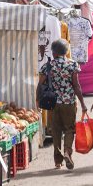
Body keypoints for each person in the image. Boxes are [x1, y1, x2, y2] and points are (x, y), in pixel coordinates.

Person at [36, 39, 88, 170]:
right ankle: (67, 152)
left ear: (53, 52)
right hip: (69, 103)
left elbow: (40, 85)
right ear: (66, 51)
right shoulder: (72, 65)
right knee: (69, 129)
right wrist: (83, 104)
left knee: (56, 131)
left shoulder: (48, 66)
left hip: (52, 104)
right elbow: (76, 85)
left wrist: (37, 101)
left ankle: (58, 161)